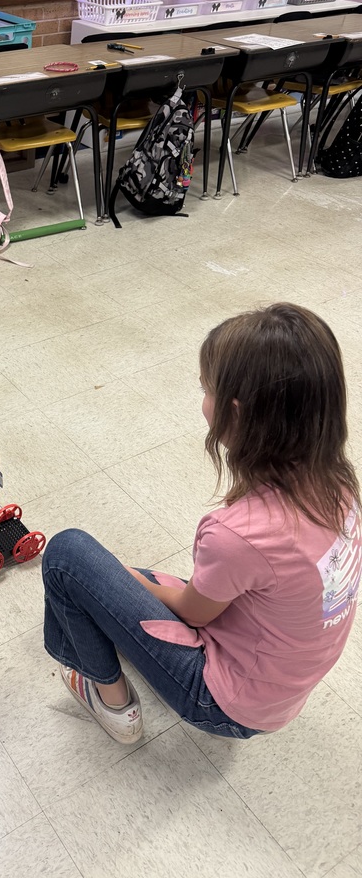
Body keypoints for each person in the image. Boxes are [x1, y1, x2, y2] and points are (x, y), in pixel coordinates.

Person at [43, 303, 361, 743]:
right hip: (282, 687)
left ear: (235, 413)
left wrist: (129, 581)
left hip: (224, 704)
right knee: (118, 579)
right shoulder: (340, 483)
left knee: (67, 556)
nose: (202, 400)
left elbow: (194, 609)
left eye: (205, 389)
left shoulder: (237, 533)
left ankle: (111, 700)